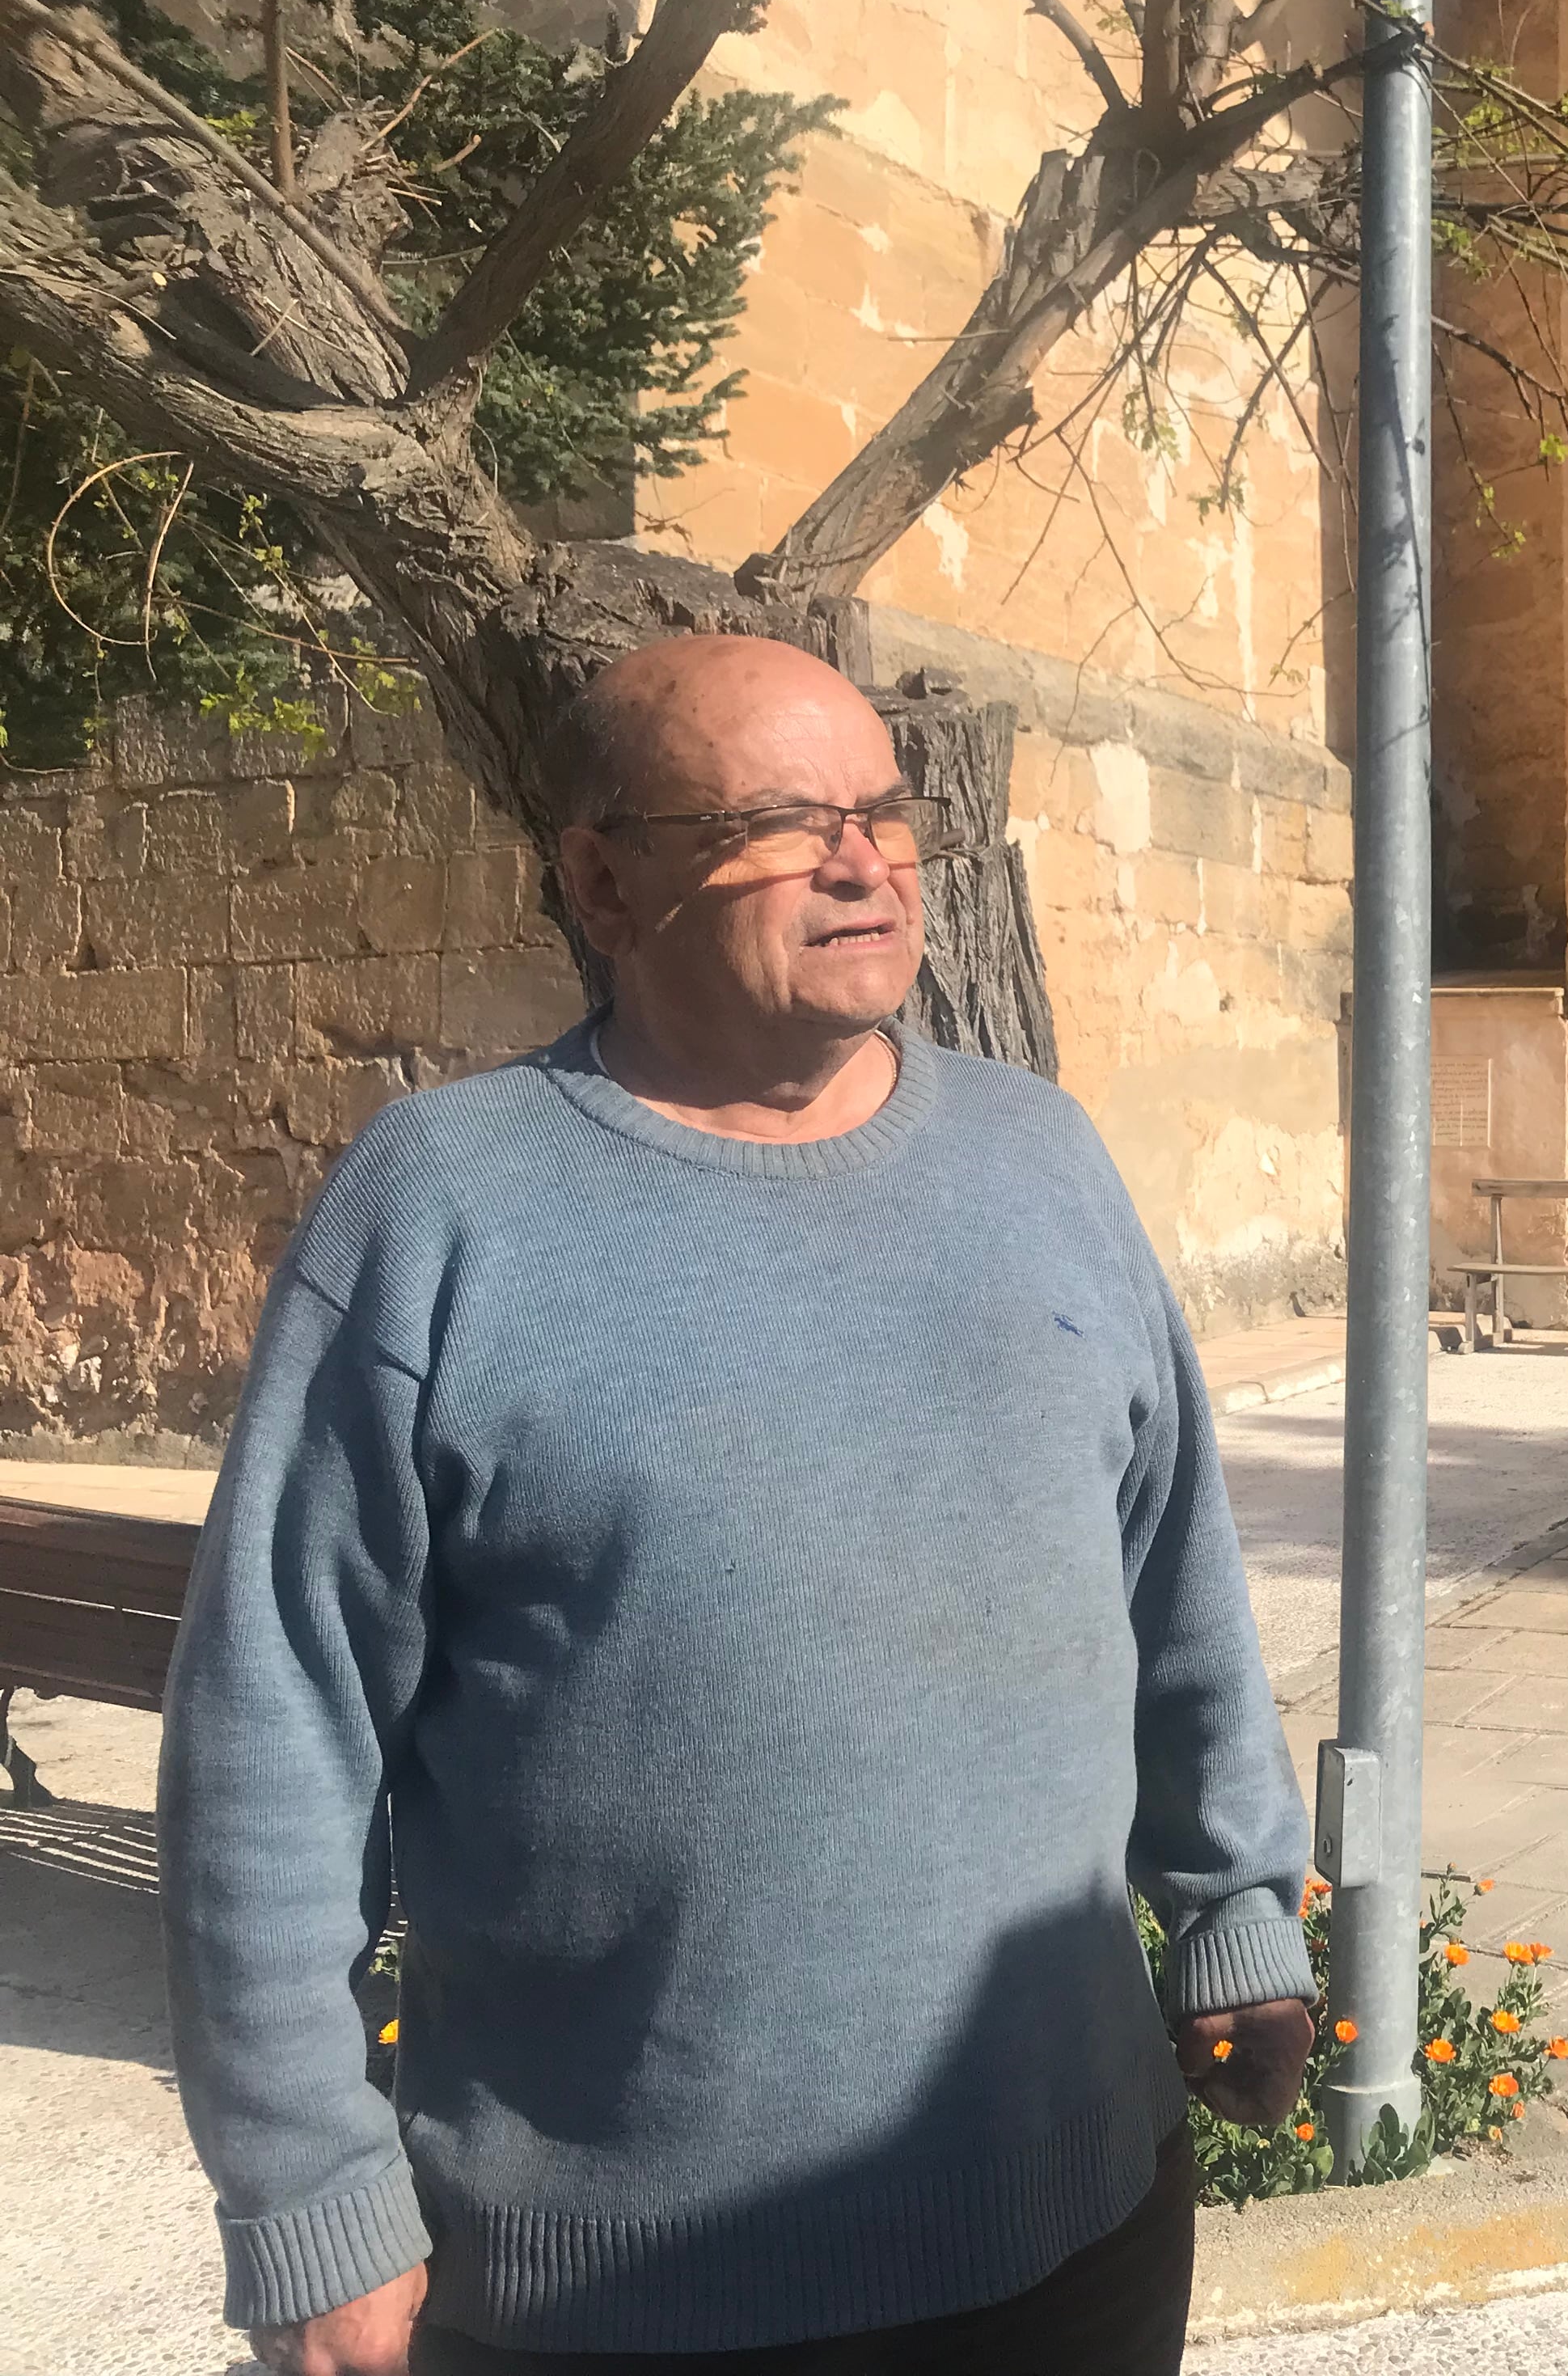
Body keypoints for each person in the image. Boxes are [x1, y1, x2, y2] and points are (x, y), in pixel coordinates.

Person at [157, 635, 1317, 2376]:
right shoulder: (444, 1209)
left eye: (881, 808)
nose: (862, 859)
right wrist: (309, 2193)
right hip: (631, 2298)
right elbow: (273, 1732)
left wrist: (1237, 1905)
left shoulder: (1041, 1157)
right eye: (780, 821)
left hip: (1076, 2231)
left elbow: (1175, 1582)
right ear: (605, 881)